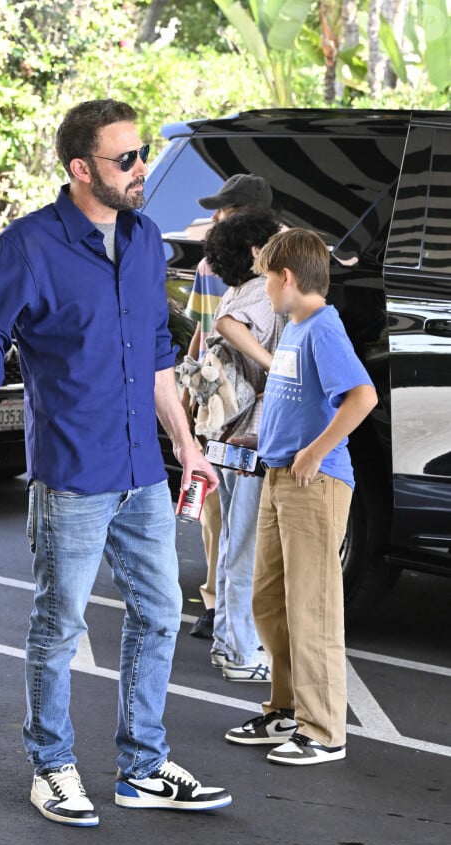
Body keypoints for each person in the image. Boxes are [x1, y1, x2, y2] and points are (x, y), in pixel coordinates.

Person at [0, 98, 232, 827]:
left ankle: (142, 766)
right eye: (127, 159)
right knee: (59, 623)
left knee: (161, 612)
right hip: (74, 473)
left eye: (141, 153)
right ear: (81, 169)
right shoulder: (28, 246)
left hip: (143, 470)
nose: (142, 170)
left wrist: (184, 442)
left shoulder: (144, 241)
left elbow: (157, 357)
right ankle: (52, 766)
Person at [225, 228, 377, 763]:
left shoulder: (322, 329)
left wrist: (313, 452)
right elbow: (292, 400)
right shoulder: (294, 328)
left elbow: (362, 396)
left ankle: (323, 731)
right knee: (269, 600)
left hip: (314, 483)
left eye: (266, 279)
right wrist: (263, 442)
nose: (264, 289)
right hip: (278, 477)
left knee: (312, 607)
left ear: (287, 277)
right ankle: (286, 711)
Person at [184, 174, 274, 639]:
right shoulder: (208, 265)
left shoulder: (283, 262)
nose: (217, 217)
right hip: (219, 409)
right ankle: (217, 605)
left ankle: (240, 620)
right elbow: (203, 327)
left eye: (227, 209)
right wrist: (187, 396)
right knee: (214, 511)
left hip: (255, 413)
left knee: (249, 519)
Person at [202, 211, 285, 681]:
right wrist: (271, 363)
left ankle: (226, 644)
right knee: (244, 546)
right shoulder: (256, 293)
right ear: (257, 251)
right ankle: (238, 652)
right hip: (249, 435)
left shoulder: (237, 288)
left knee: (235, 542)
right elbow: (229, 324)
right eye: (274, 239)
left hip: (226, 436)